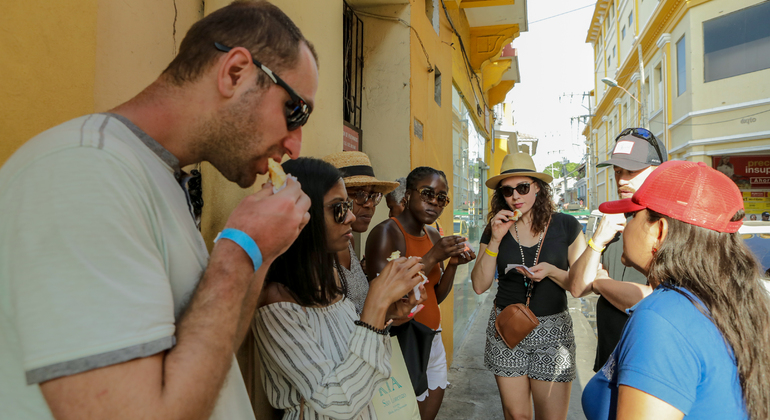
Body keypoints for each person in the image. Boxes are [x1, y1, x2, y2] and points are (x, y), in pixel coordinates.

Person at [0, 3, 318, 419]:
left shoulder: (153, 173)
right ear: (235, 72)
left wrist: (261, 254)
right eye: (295, 112)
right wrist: (239, 252)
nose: (295, 145)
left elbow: (207, 351)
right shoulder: (84, 171)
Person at [582, 161, 770, 420]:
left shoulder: (661, 317)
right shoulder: (727, 301)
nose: (625, 226)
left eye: (632, 216)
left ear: (659, 231)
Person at [254, 157, 424, 420]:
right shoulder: (276, 304)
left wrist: (386, 314)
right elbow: (338, 401)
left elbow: (360, 363)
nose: (352, 216)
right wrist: (375, 305)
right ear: (299, 216)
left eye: (348, 205)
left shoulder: (333, 277)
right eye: (339, 208)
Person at [471, 152, 586, 420]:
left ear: (538, 188)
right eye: (507, 190)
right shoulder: (495, 227)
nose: (515, 196)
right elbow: (479, 285)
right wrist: (496, 240)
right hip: (507, 327)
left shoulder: (566, 226)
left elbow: (581, 286)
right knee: (517, 416)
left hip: (553, 332)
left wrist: (553, 272)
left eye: (522, 188)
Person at [366, 166, 475, 420]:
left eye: (441, 198)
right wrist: (433, 255)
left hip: (432, 337)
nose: (434, 202)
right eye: (427, 194)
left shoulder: (433, 233)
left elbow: (435, 295)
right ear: (407, 195)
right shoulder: (386, 233)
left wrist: (452, 266)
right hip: (401, 341)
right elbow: (384, 297)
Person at [565, 127, 668, 371]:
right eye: (618, 171)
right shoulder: (613, 220)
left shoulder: (669, 225)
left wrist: (601, 283)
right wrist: (597, 240)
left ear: (658, 172)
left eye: (632, 171)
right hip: (608, 363)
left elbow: (657, 300)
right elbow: (578, 287)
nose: (622, 180)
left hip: (648, 364)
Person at [323, 151, 399, 314]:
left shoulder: (348, 241)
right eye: (360, 195)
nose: (370, 204)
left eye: (373, 196)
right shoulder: (318, 256)